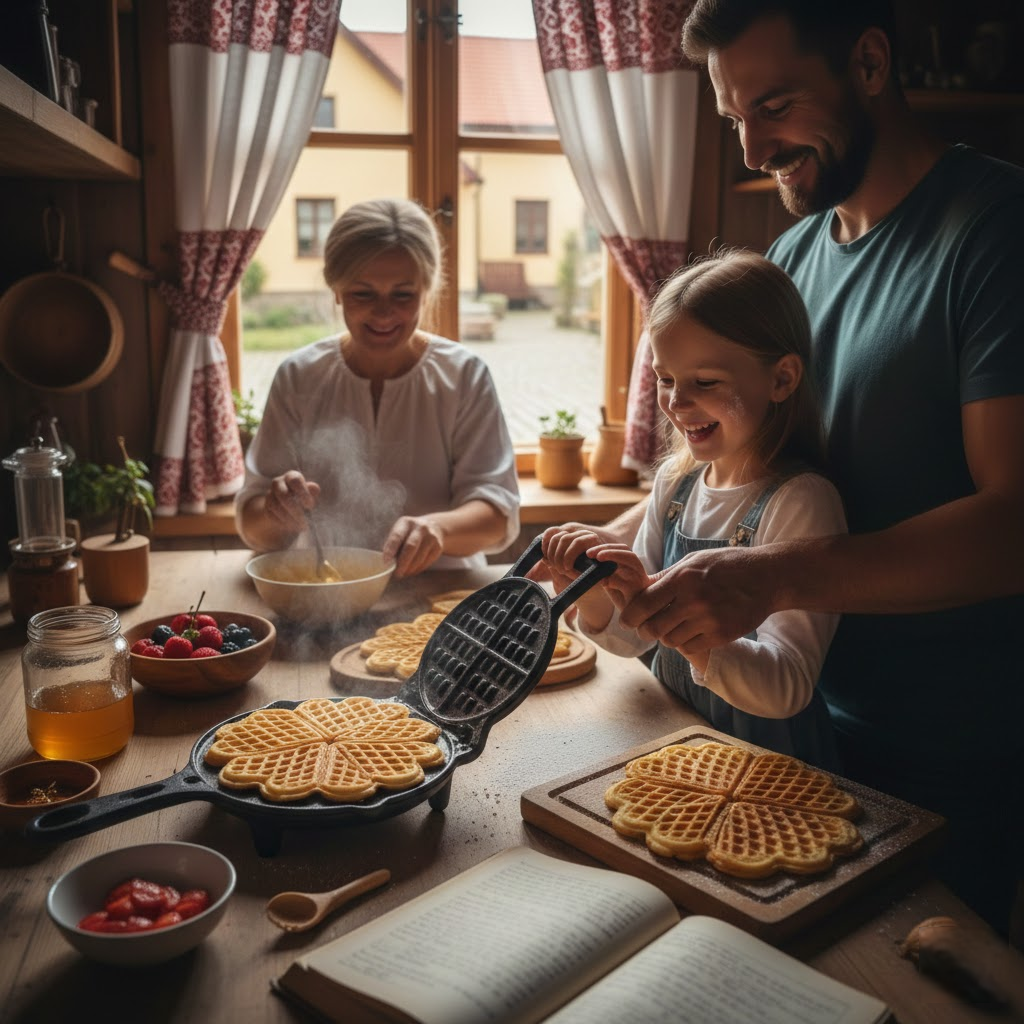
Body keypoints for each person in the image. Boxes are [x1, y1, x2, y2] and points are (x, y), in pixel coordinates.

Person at [563, 2, 1024, 936]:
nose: (750, 149)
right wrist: (609, 551)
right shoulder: (795, 255)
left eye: (773, 105)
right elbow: (742, 473)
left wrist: (768, 576)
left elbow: (1014, 524)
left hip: (945, 755)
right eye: (736, 118)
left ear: (868, 62)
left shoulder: (995, 231)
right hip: (789, 737)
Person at [543, 250, 847, 769]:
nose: (677, 403)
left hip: (772, 766)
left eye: (705, 382)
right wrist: (593, 594)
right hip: (680, 747)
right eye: (665, 379)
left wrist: (698, 643)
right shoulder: (675, 483)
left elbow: (788, 688)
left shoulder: (801, 501)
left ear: (782, 379)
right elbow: (628, 636)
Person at [235, 198, 520, 577]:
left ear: (427, 290)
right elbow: (253, 524)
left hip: (444, 589)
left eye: (403, 294)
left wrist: (437, 529)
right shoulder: (300, 376)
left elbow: (497, 515)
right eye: (362, 294)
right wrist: (278, 510)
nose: (384, 313)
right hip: (326, 588)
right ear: (335, 290)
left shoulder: (464, 376)